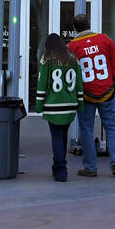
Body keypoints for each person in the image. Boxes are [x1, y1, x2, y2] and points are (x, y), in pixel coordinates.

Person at [67, 13, 115, 177]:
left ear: (74, 28)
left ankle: (91, 167)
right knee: (112, 128)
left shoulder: (72, 46)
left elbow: (70, 72)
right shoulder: (105, 40)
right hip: (107, 90)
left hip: (86, 93)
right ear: (89, 24)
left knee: (86, 130)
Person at [33, 33, 83, 182]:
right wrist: (80, 104)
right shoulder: (73, 59)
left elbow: (42, 84)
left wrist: (39, 105)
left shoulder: (47, 59)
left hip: (53, 105)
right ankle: (59, 168)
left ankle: (60, 170)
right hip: (69, 105)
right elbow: (79, 83)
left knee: (56, 137)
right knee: (63, 136)